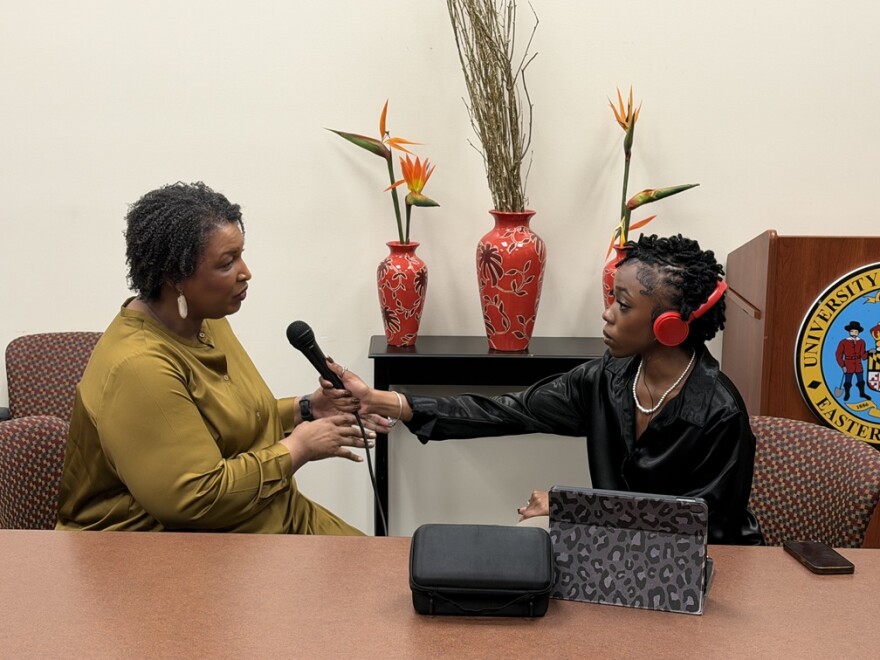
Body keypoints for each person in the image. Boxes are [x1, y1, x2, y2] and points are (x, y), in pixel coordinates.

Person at [326, 234, 764, 545]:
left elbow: (698, 528)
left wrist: (574, 507)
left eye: (623, 305)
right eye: (612, 298)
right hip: (628, 560)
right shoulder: (607, 378)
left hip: (706, 576)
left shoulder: (720, 412)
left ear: (668, 326)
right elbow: (506, 411)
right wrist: (391, 402)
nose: (608, 314)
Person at [56, 182, 372, 534]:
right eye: (227, 262)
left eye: (241, 254)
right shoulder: (138, 366)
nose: (245, 272)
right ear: (176, 276)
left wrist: (304, 409)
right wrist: (298, 448)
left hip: (268, 516)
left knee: (397, 572)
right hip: (168, 553)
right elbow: (195, 497)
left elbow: (224, 424)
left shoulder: (201, 320)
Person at [835, 320, 872, 402]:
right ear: (849, 331)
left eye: (856, 331)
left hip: (858, 364)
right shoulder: (843, 342)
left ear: (858, 332)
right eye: (852, 331)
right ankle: (847, 394)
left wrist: (869, 353)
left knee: (861, 381)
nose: (854, 333)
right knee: (848, 381)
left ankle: (862, 393)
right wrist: (843, 365)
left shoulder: (862, 342)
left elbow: (863, 356)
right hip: (848, 364)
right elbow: (838, 355)